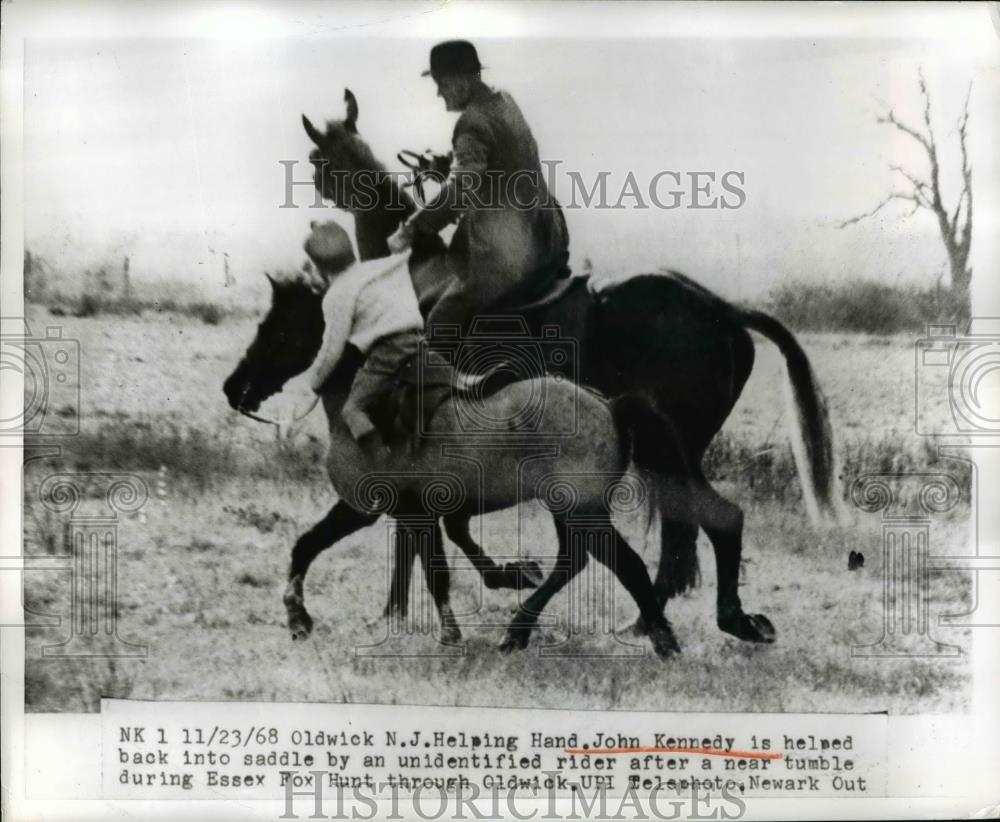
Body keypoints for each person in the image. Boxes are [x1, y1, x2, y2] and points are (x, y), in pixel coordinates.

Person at [387, 40, 570, 337]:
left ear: (460, 81)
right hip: (546, 234)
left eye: (441, 84)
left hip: (507, 253)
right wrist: (444, 166)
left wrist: (411, 229)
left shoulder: (470, 122)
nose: (438, 92)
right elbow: (502, 162)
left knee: (437, 328)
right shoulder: (504, 101)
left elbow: (462, 189)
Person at [304, 221, 423, 459]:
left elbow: (332, 350)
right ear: (350, 249)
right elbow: (402, 250)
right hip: (420, 342)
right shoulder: (383, 266)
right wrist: (399, 241)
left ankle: (383, 470)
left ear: (319, 267)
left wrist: (315, 381)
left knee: (353, 410)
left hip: (388, 353)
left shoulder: (337, 294)